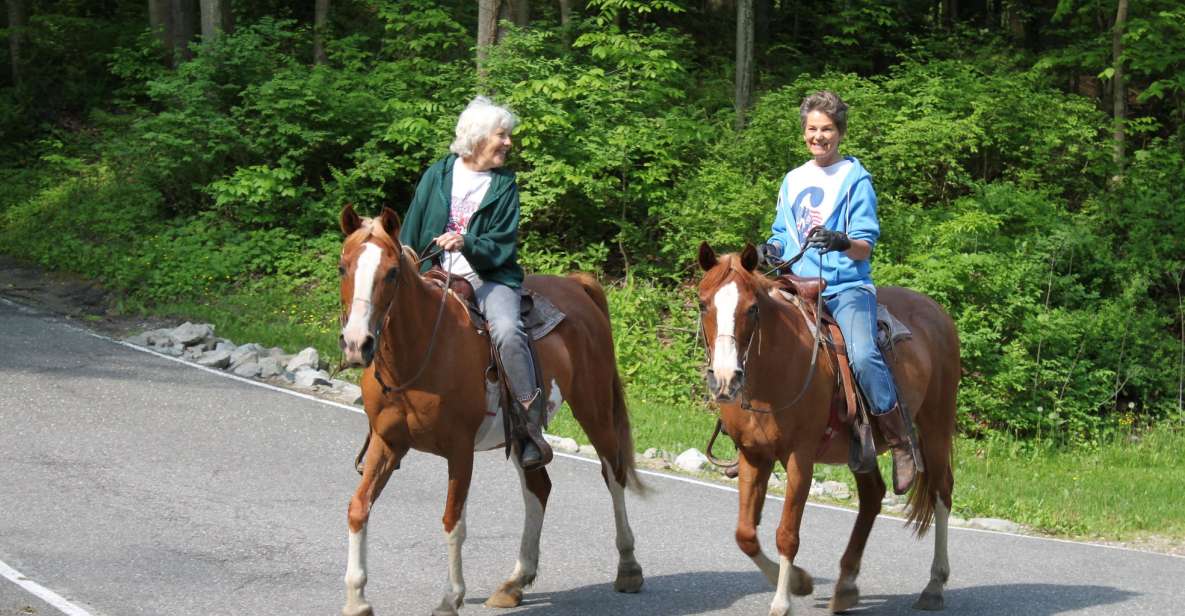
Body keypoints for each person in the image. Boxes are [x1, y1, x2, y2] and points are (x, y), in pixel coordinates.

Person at [758, 90, 920, 494]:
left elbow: (866, 245)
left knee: (864, 354)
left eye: (827, 129)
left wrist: (842, 241)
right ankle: (748, 433)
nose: (819, 136)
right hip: (796, 284)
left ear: (840, 132)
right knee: (751, 329)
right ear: (803, 134)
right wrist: (770, 250)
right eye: (812, 129)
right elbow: (783, 233)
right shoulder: (793, 179)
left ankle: (899, 439)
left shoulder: (855, 180)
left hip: (846, 287)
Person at [398, 95, 552, 471]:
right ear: (480, 137)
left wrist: (467, 242)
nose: (508, 143)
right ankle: (383, 419)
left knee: (508, 330)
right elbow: (411, 230)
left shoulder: (503, 185)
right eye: (502, 135)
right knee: (391, 318)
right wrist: (405, 268)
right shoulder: (438, 173)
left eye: (508, 136)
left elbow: (502, 245)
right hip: (432, 273)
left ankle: (528, 428)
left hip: (487, 277)